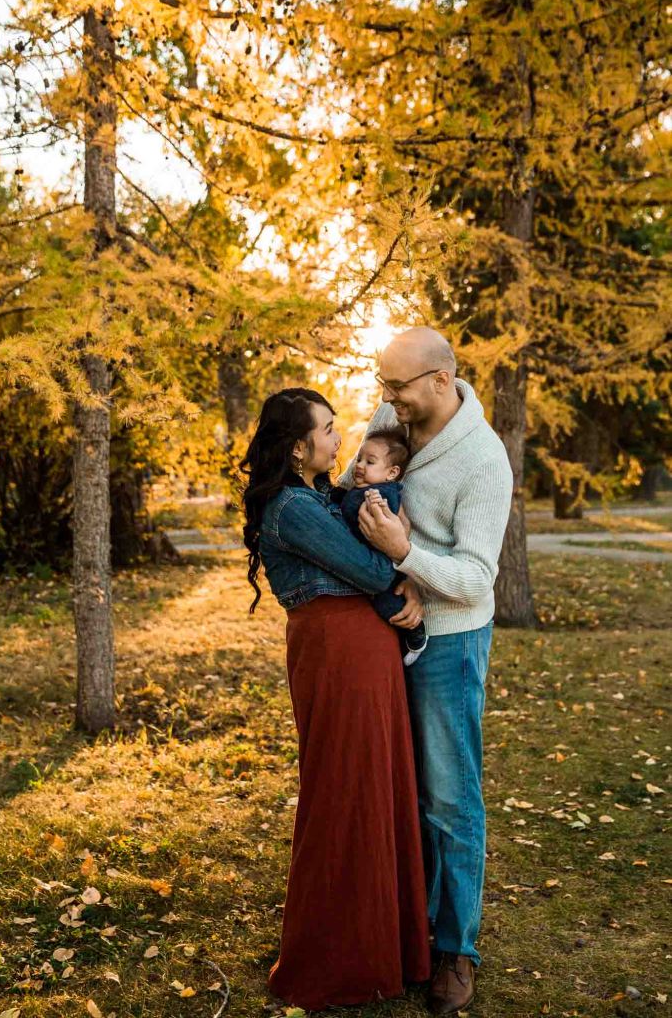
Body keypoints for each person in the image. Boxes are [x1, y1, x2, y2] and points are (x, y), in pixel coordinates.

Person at [337, 326, 513, 1016]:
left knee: (449, 797)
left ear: (441, 380)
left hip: (451, 643)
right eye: (383, 385)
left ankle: (457, 949)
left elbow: (473, 579)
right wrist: (396, 572)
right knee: (404, 789)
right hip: (392, 630)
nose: (385, 402)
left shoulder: (485, 461)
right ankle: (414, 928)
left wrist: (408, 556)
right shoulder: (392, 419)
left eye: (398, 386)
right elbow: (366, 484)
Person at [240, 387, 430, 1012]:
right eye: (326, 429)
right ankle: (336, 956)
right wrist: (399, 563)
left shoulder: (320, 496)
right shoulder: (294, 508)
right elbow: (375, 573)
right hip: (337, 654)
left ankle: (388, 946)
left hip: (363, 653)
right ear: (297, 447)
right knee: (343, 789)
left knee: (375, 785)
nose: (337, 436)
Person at [330, 426, 429, 665]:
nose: (360, 465)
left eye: (370, 462)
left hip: (384, 566)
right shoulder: (361, 489)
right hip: (367, 561)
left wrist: (379, 506)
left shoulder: (382, 493)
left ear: (392, 472)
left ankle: (415, 635)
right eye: (360, 458)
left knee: (388, 604)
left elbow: (389, 521)